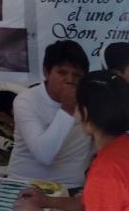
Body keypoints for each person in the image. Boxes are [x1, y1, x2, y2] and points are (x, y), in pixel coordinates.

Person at [15, 71, 129, 211]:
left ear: (84, 112)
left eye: (76, 106)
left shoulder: (107, 168)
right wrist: (47, 201)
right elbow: (94, 203)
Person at [8, 40, 92, 190]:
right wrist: (67, 108)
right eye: (62, 73)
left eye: (76, 75)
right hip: (24, 184)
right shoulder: (26, 100)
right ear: (46, 72)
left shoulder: (91, 101)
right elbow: (44, 155)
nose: (69, 80)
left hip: (71, 187)